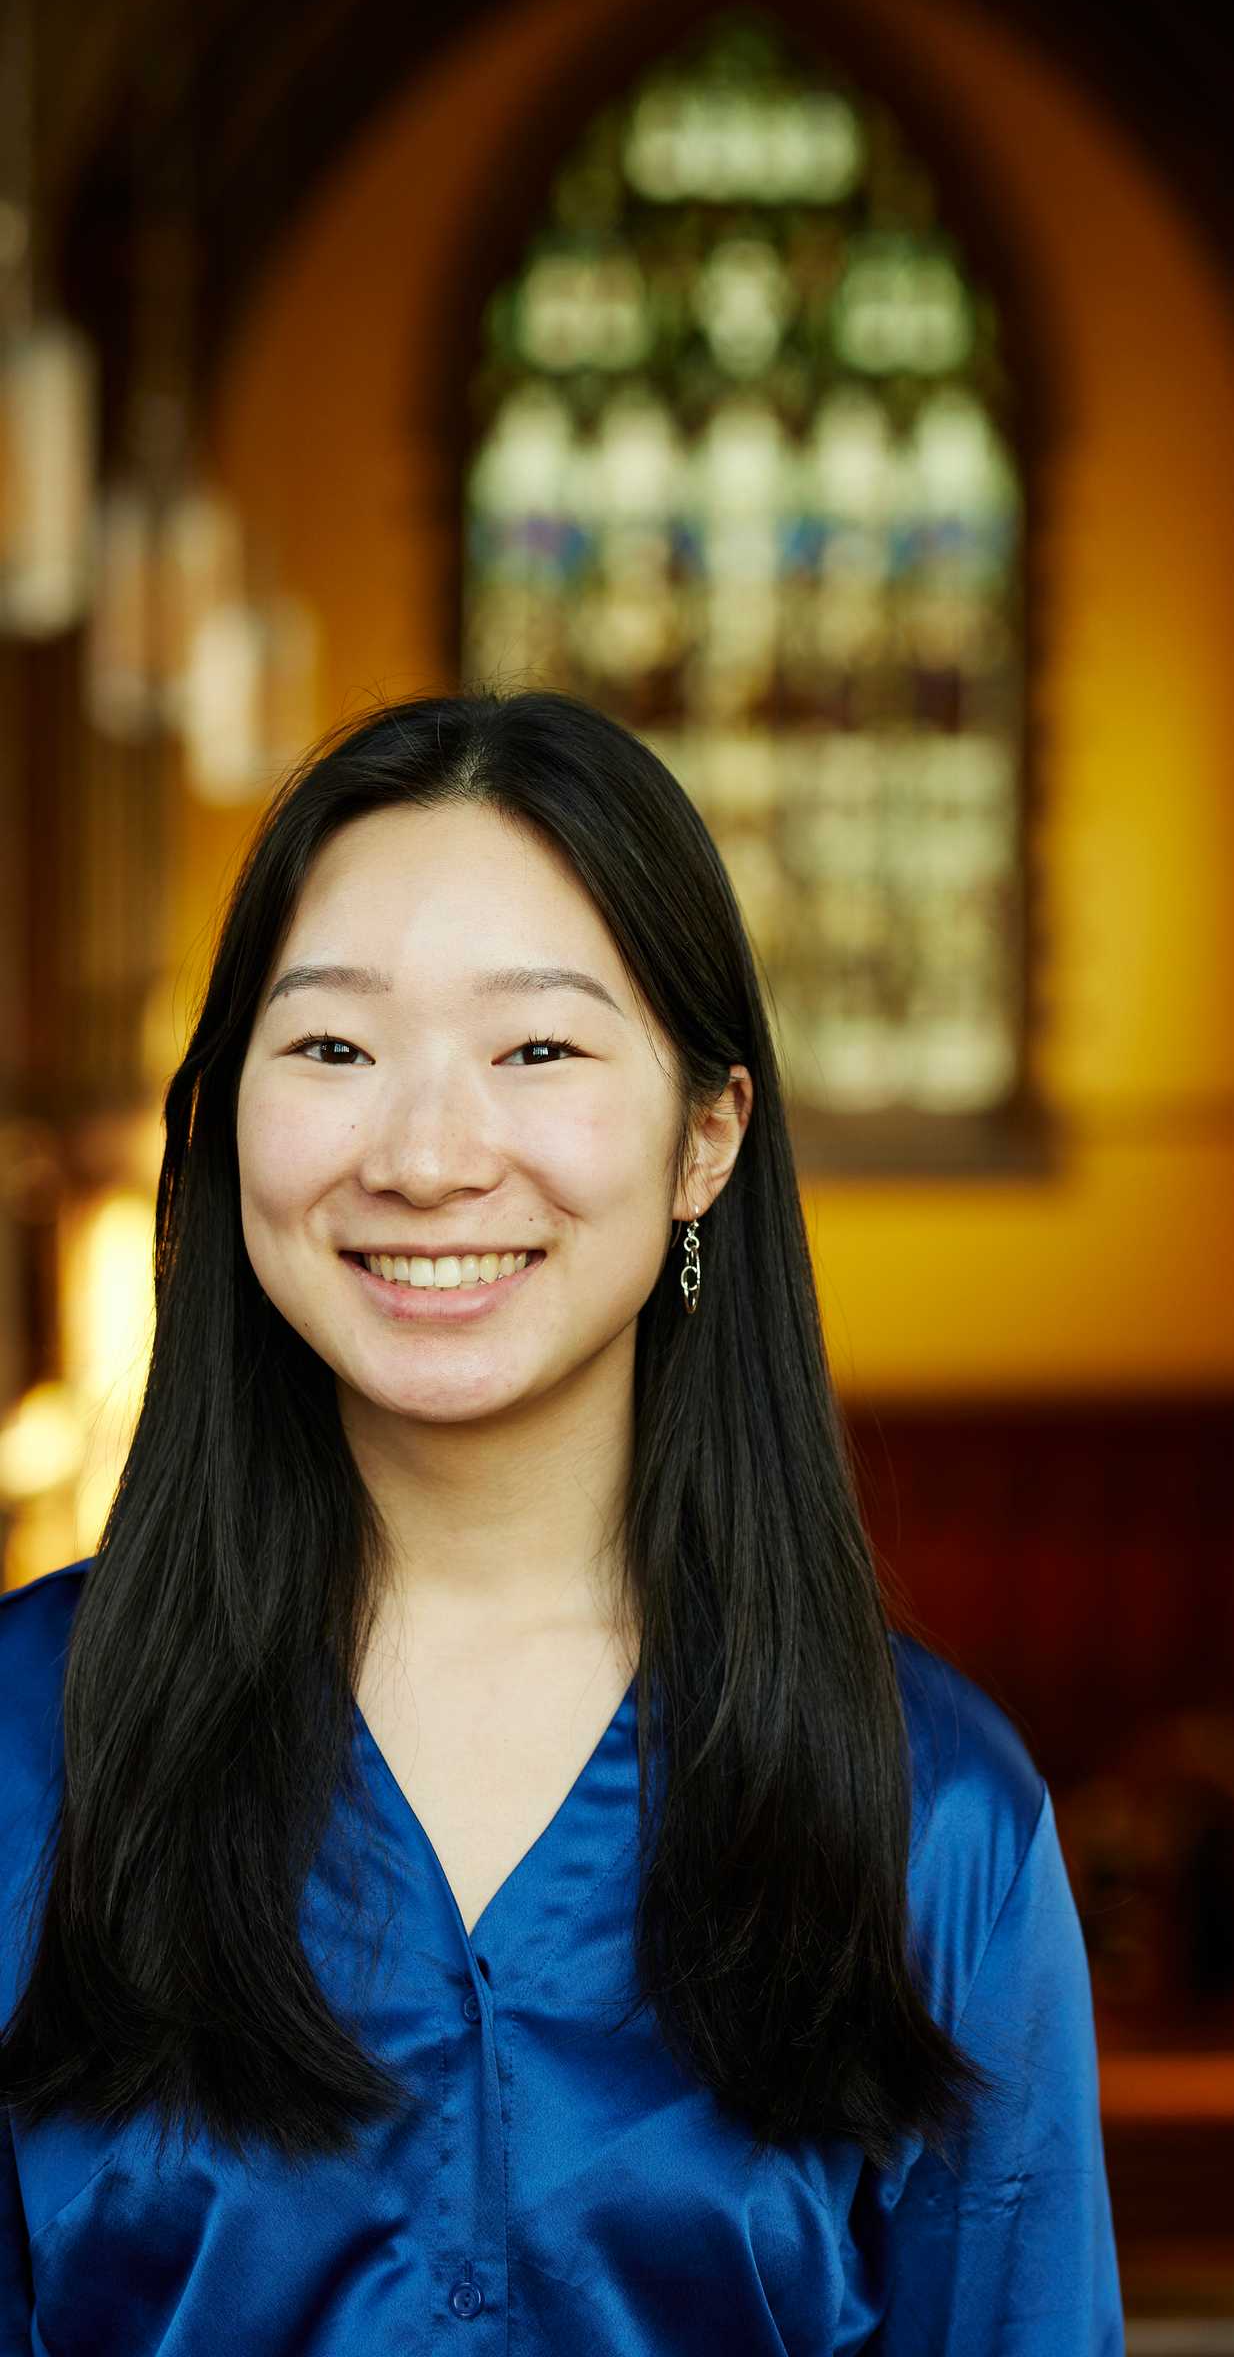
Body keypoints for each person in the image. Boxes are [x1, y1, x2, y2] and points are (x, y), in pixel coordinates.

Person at [0, 688, 1123, 2353]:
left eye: (537, 1049)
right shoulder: (23, 1750)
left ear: (706, 1136)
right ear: (226, 1113)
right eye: (332, 1047)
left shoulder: (932, 1822)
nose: (430, 1155)